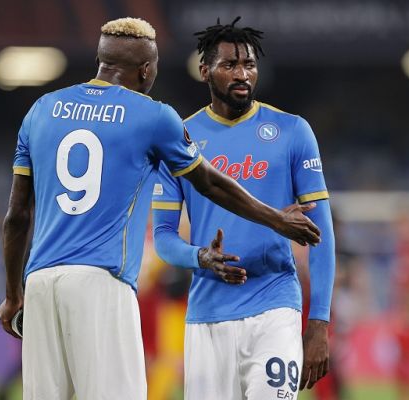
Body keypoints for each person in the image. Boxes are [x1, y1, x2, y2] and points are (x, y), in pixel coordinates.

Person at [0, 17, 321, 400]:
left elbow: (17, 216)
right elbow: (209, 183)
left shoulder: (42, 109)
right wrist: (276, 218)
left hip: (40, 281)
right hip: (102, 282)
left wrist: (13, 293)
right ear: (147, 69)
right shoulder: (152, 115)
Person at [152, 17, 335, 400]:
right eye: (229, 65)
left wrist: (318, 321)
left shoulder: (292, 131)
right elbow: (164, 237)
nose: (242, 74)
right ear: (205, 71)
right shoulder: (180, 139)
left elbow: (322, 233)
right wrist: (199, 256)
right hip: (207, 315)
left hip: (275, 307)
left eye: (249, 64)